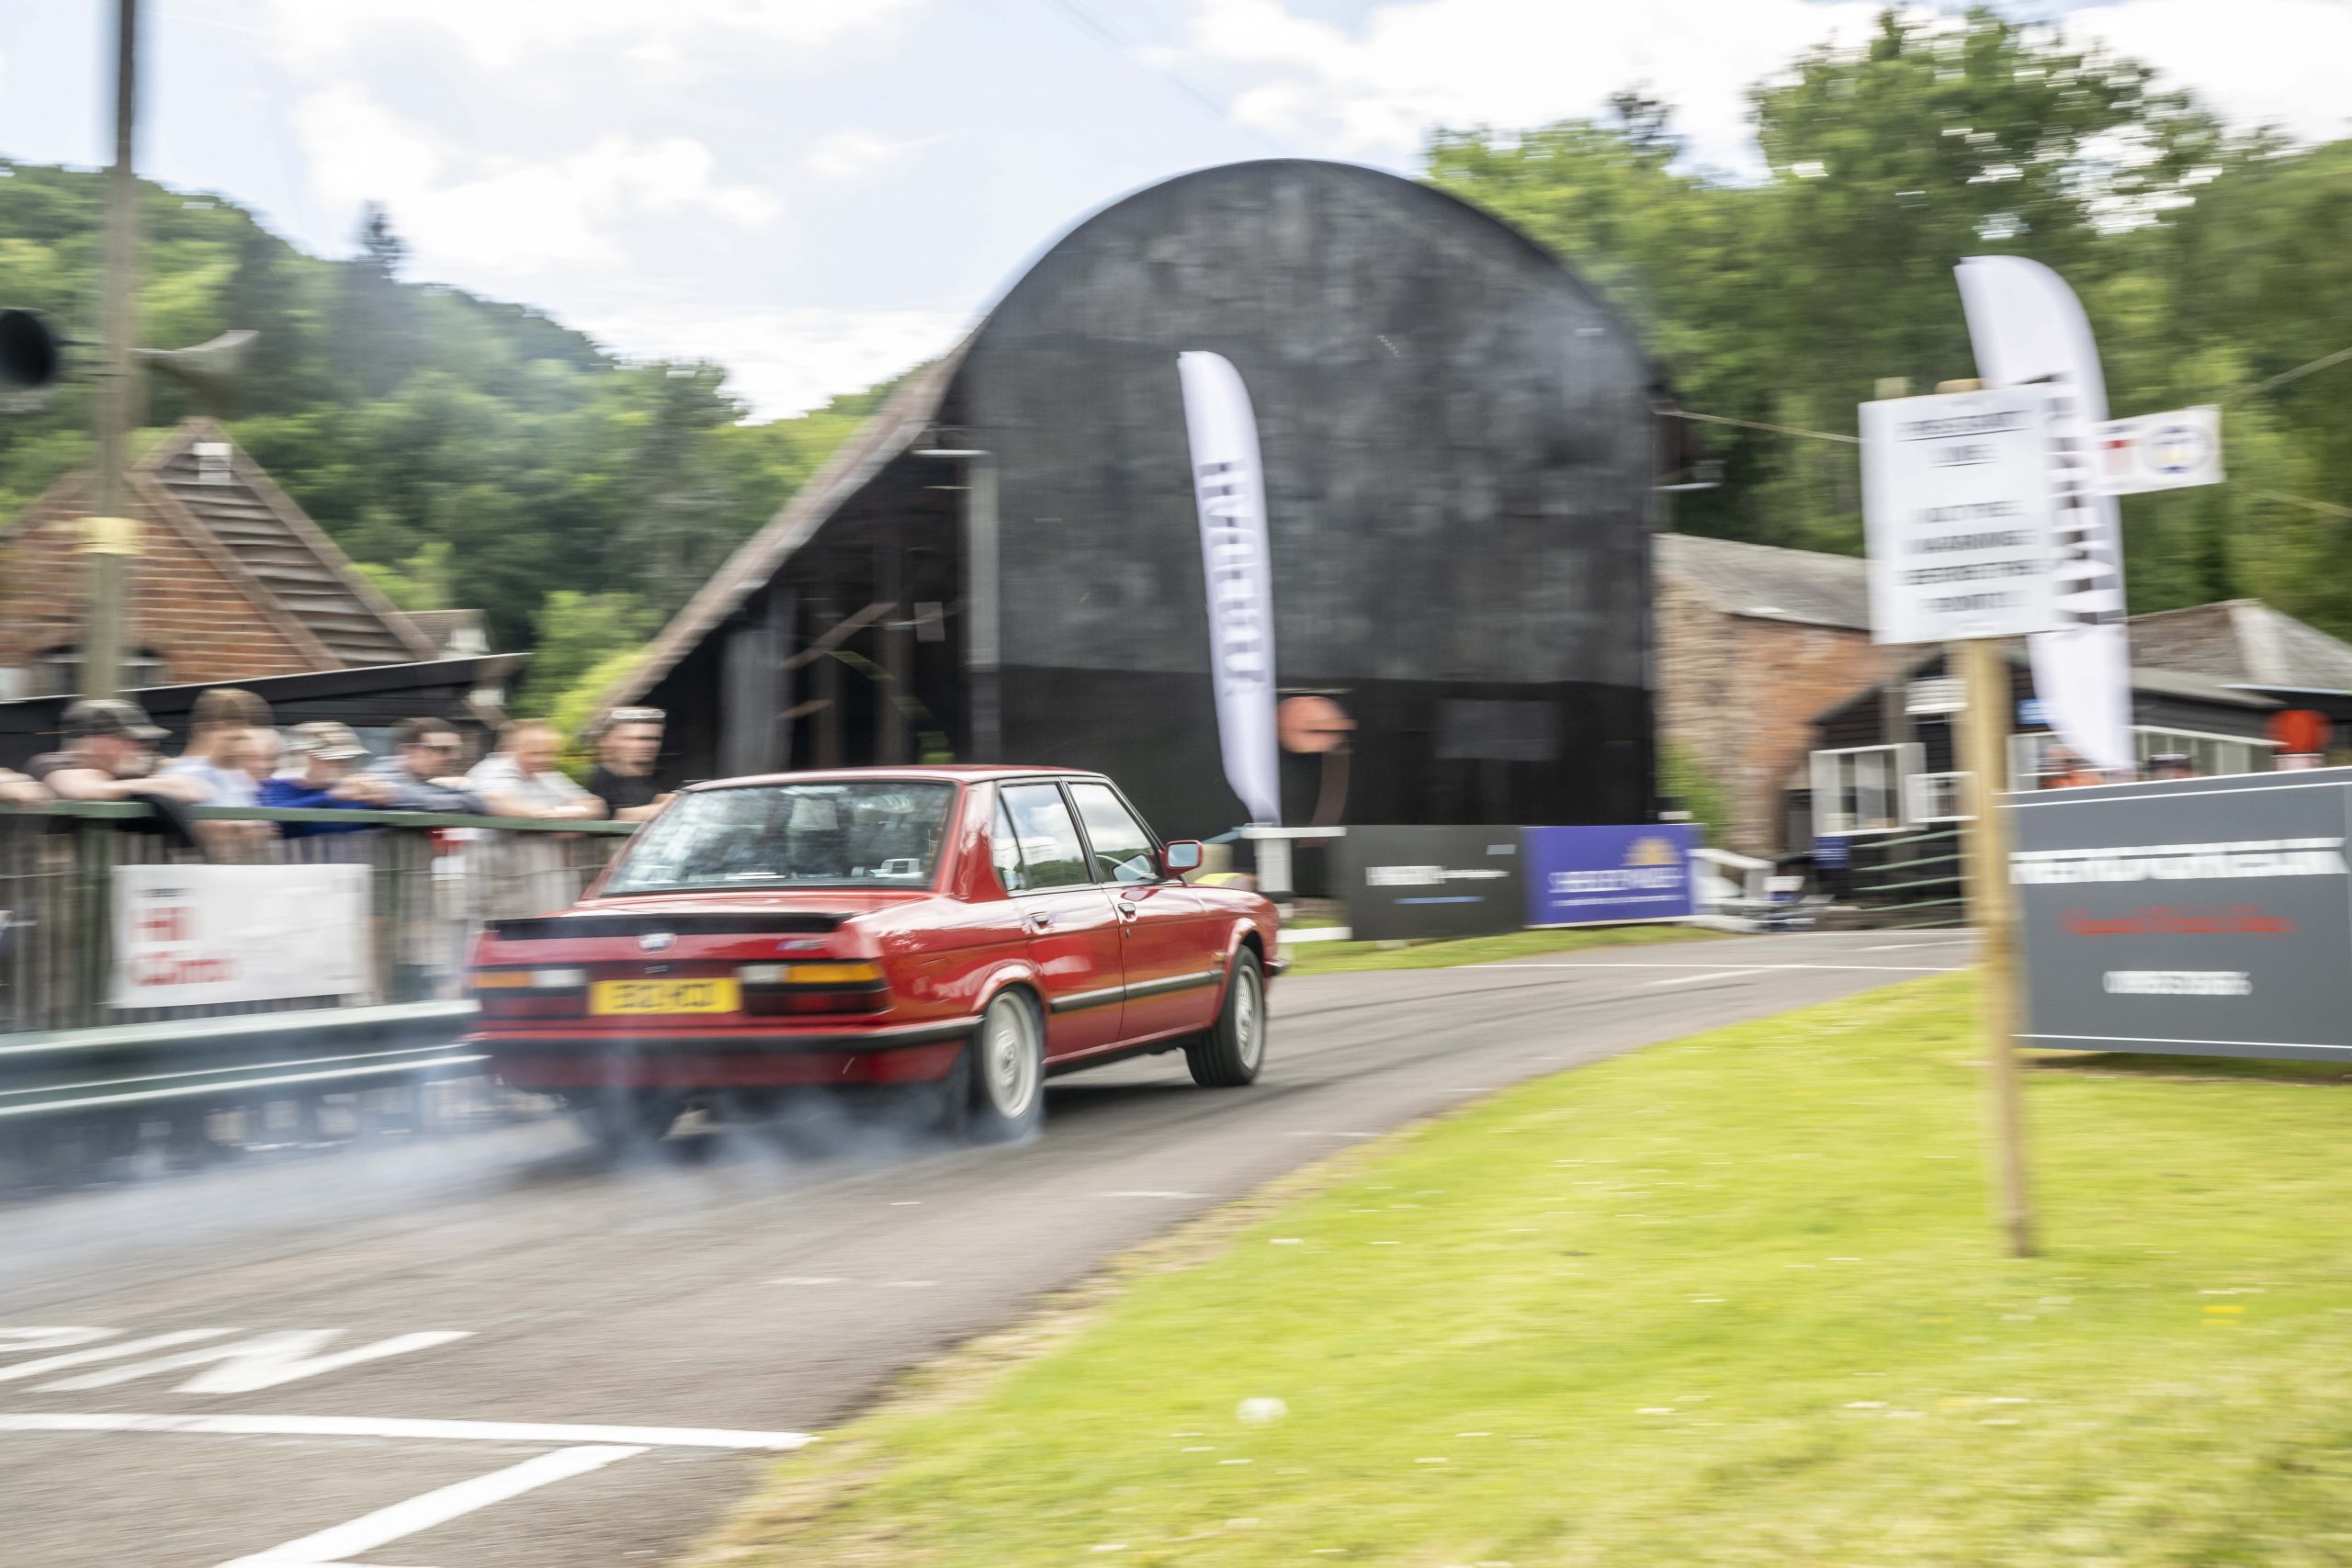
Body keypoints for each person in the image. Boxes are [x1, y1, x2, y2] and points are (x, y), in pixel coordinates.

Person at [465, 719, 607, 919]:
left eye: (549, 752)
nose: (543, 759)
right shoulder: (494, 769)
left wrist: (557, 815)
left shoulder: (548, 776)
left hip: (537, 882)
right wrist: (549, 818)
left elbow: (595, 806)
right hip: (498, 878)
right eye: (534, 752)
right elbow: (497, 801)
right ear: (514, 748)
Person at [25, 698, 207, 805]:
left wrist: (129, 784)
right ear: (93, 740)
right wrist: (147, 785)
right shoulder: (49, 763)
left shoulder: (131, 769)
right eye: (128, 740)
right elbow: (82, 790)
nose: (139, 747)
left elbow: (194, 789)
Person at [258, 722, 395, 836]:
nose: (339, 765)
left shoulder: (352, 792)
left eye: (344, 760)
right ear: (308, 757)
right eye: (330, 759)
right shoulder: (282, 786)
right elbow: (274, 816)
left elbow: (373, 825)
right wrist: (331, 795)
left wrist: (382, 803)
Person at [160, 687, 270, 807]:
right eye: (236, 738)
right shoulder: (182, 775)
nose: (242, 748)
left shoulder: (236, 777)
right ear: (203, 729)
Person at [365, 717, 492, 814]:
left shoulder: (422, 784)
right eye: (444, 750)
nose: (454, 757)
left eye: (456, 750)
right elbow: (414, 797)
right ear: (410, 750)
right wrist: (468, 800)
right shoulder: (379, 777)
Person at [585, 706, 674, 821]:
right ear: (605, 740)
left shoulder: (643, 778)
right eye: (635, 739)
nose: (650, 746)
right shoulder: (605, 776)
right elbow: (616, 815)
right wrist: (675, 806)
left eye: (655, 739)